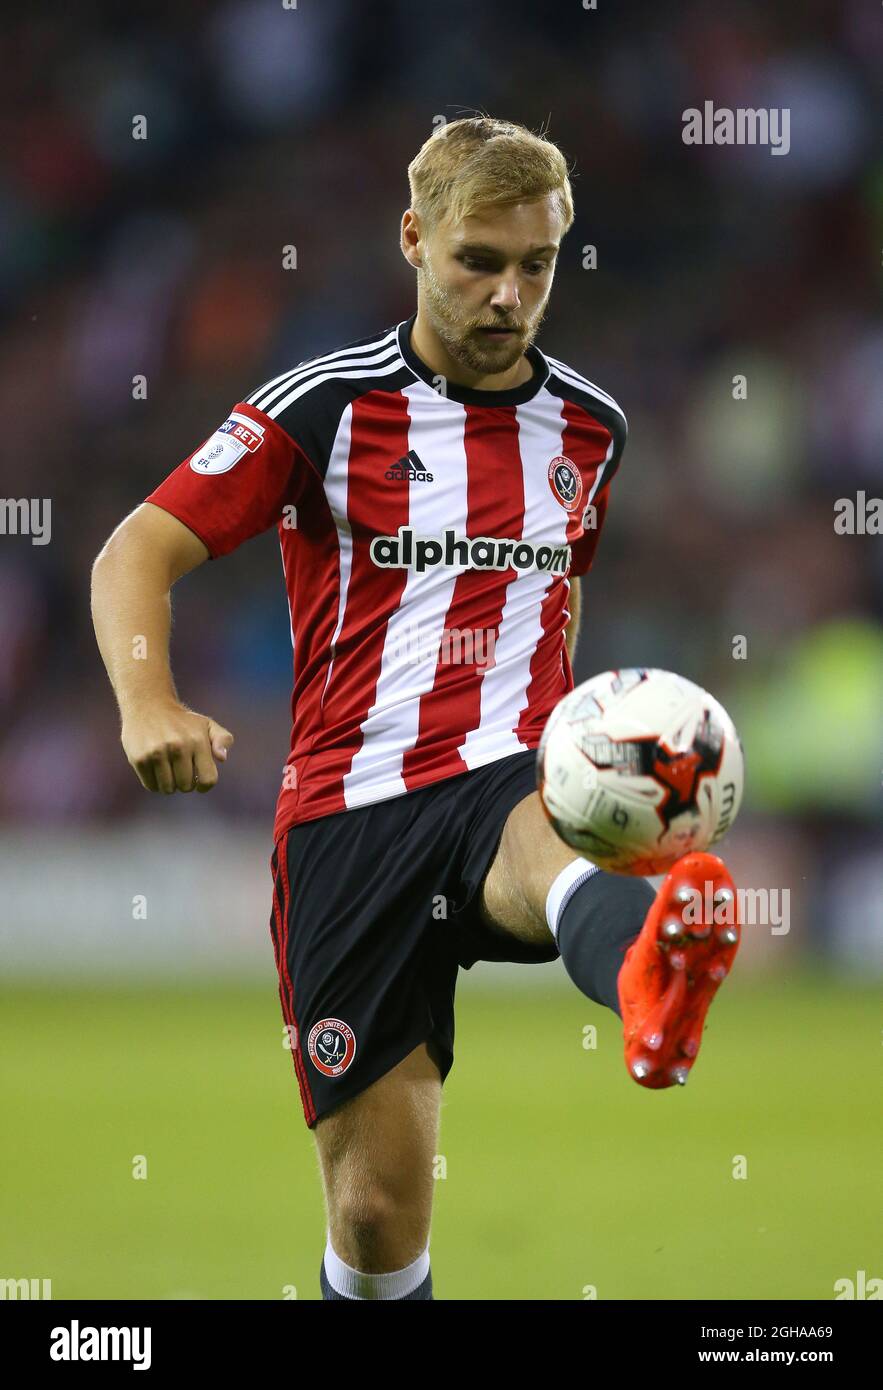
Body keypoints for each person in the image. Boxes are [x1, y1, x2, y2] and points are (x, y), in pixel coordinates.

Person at [91, 116, 740, 1302]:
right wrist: (149, 703)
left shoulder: (589, 429)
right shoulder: (321, 409)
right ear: (414, 238)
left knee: (544, 848)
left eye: (534, 266)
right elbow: (136, 548)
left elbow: (558, 593)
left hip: (503, 778)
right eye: (477, 260)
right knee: (378, 1218)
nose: (507, 294)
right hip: (347, 814)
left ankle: (650, 965)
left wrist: (580, 741)